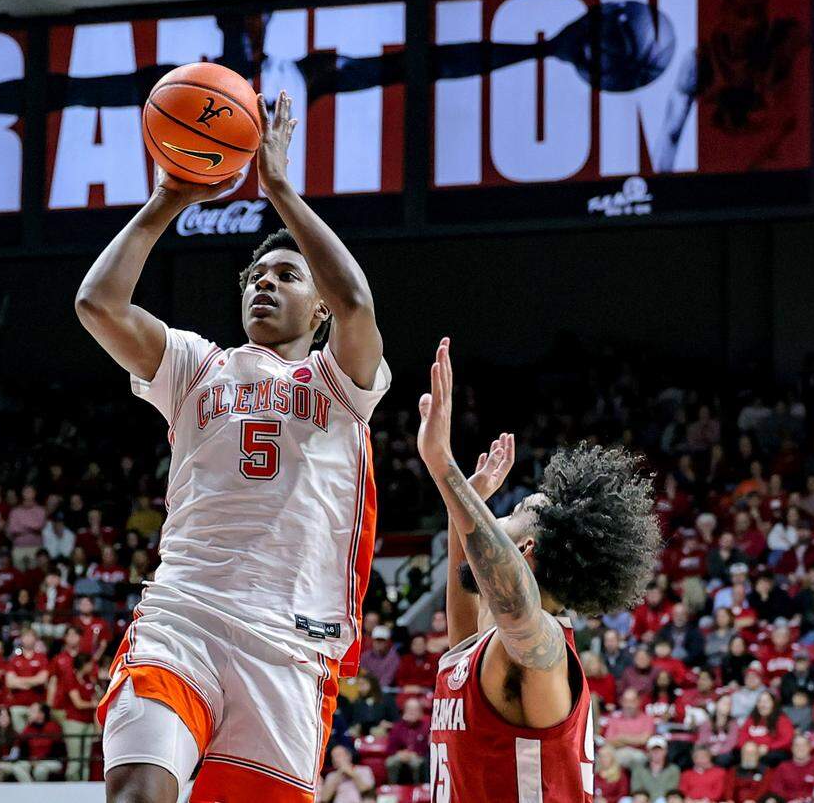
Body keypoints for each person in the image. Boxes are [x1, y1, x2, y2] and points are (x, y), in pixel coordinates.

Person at [77, 89, 389, 803]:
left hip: (288, 646)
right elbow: (98, 305)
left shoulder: (341, 380)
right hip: (184, 612)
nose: (263, 285)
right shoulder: (197, 365)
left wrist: (280, 190)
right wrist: (168, 198)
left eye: (285, 276)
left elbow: (360, 305)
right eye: (254, 276)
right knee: (136, 792)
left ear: (318, 308)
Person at [418, 340, 660, 802]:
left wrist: (443, 467)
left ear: (526, 550)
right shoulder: (487, 648)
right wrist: (461, 506)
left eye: (512, 512)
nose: (495, 517)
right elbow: (469, 614)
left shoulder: (542, 648)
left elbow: (515, 603)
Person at [768, 733, 814, 801]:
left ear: (810, 747)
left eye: (803, 745)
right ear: (792, 748)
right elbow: (776, 790)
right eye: (797, 745)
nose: (800, 748)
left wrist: (805, 799)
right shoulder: (783, 767)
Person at [383, 697, 429, 784]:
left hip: (418, 756)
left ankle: (418, 789)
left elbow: (427, 748)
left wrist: (414, 753)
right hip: (400, 755)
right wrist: (400, 753)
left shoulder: (426, 727)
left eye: (415, 710)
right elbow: (390, 748)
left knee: (416, 763)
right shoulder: (397, 727)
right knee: (390, 762)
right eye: (409, 709)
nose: (411, 712)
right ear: (404, 711)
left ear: (421, 712)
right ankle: (393, 787)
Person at [630, 736, 681, 801]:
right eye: (653, 750)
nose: (656, 752)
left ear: (665, 751)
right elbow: (636, 790)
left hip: (663, 800)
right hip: (643, 800)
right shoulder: (638, 769)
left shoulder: (673, 770)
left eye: (659, 750)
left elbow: (671, 791)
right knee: (625, 800)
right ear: (648, 752)